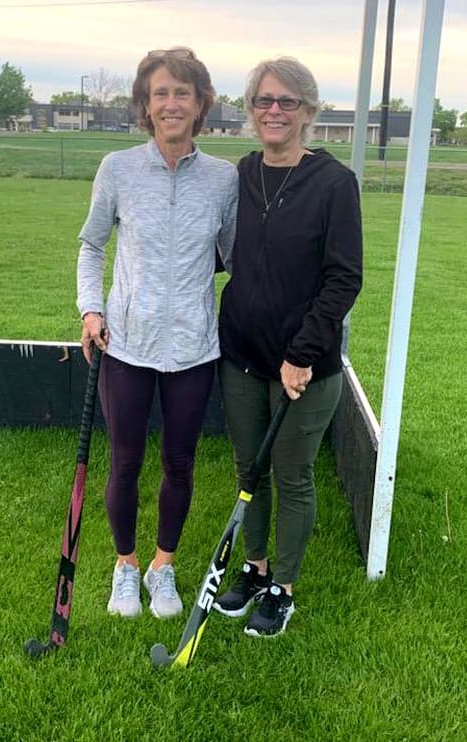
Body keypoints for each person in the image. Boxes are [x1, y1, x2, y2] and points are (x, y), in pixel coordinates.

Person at [76, 47, 238, 620]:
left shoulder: (224, 179)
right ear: (146, 104)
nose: (172, 103)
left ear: (200, 104)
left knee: (180, 462)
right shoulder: (117, 169)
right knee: (124, 464)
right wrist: (91, 310)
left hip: (194, 348)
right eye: (161, 93)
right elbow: (92, 245)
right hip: (127, 344)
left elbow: (237, 258)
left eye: (183, 93)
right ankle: (125, 564)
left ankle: (162, 567)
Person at [214, 57, 362, 637]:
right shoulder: (243, 174)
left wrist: (300, 353)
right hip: (241, 355)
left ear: (307, 111)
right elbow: (222, 252)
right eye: (264, 101)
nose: (274, 111)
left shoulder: (333, 182)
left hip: (305, 364)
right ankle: (253, 570)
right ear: (250, 109)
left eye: (287, 102)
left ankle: (284, 587)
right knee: (249, 467)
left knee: (292, 472)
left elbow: (344, 277)